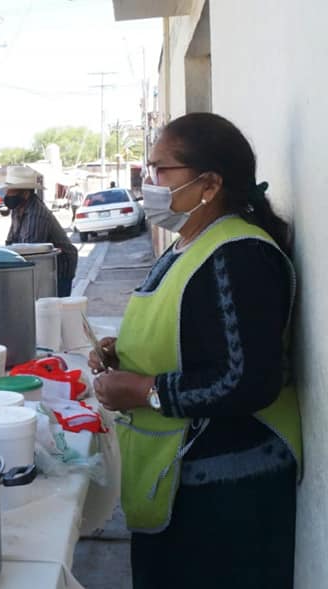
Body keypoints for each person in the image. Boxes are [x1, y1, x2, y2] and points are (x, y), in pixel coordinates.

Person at [90, 112, 301, 589]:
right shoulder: (189, 242)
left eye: (162, 171)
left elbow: (247, 380)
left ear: (209, 183)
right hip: (181, 475)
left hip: (229, 492)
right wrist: (124, 354)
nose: (151, 183)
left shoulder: (239, 255)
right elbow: (191, 336)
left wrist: (145, 390)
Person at [3, 167, 78, 296]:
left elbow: (29, 251)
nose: (7, 194)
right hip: (44, 265)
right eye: (7, 190)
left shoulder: (36, 214)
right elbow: (11, 241)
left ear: (25, 194)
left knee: (53, 307)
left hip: (60, 266)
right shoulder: (17, 209)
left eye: (12, 191)